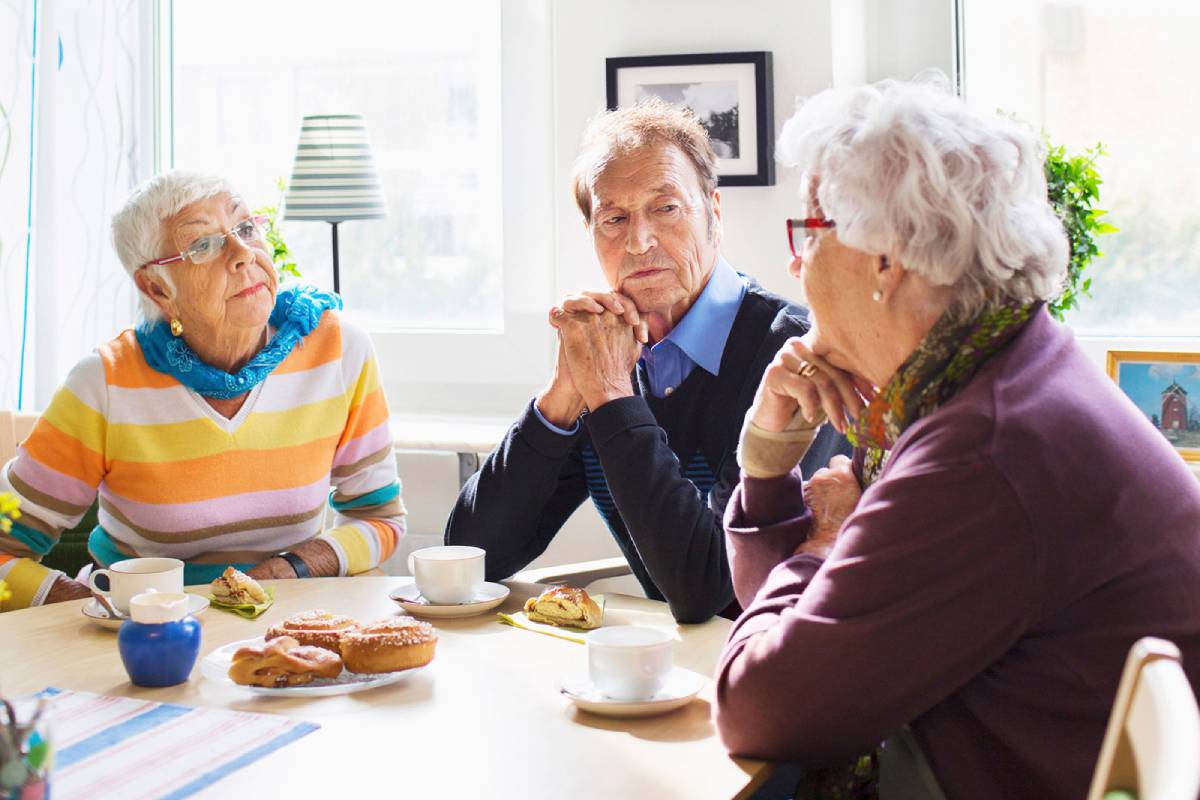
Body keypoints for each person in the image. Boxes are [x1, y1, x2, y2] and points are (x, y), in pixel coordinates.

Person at [712, 77, 1200, 799]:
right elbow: (814, 639)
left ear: (885, 259)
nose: (793, 264)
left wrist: (824, 540)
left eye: (806, 234)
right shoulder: (1004, 378)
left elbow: (763, 707)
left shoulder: (985, 452)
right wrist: (769, 459)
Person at [445, 99, 848, 623]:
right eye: (613, 218)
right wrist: (564, 396)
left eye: (666, 208)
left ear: (714, 214)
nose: (639, 241)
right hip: (663, 674)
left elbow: (709, 591)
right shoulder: (607, 353)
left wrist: (611, 395)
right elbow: (471, 558)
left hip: (784, 664)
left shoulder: (794, 355)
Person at [0, 171, 406, 611]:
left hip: (285, 627)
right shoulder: (105, 384)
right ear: (157, 288)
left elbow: (379, 518)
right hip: (148, 639)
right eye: (204, 246)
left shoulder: (336, 349)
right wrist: (86, 607)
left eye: (246, 228)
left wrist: (294, 567)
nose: (242, 254)